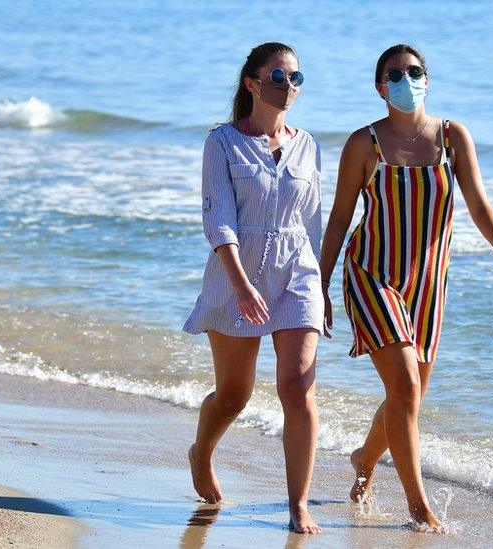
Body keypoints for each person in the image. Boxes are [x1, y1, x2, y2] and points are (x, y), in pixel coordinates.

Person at [319, 44, 493, 532]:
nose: (406, 79)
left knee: (405, 399)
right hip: (372, 275)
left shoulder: (453, 137)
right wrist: (320, 285)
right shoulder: (363, 144)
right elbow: (341, 218)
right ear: (380, 86)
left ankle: (363, 461)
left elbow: (476, 199)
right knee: (406, 388)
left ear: (427, 81)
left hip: (429, 286)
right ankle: (419, 508)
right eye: (395, 74)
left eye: (415, 72)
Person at [182, 42, 324, 534]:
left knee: (298, 389)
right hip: (234, 275)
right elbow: (218, 220)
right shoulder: (221, 143)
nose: (289, 87)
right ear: (252, 83)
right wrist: (241, 285)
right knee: (234, 396)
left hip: (297, 274)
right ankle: (201, 454)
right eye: (279, 77)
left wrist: (321, 290)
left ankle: (297, 504)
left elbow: (313, 224)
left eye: (297, 78)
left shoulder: (309, 145)